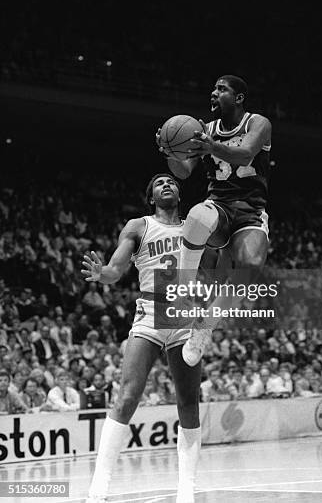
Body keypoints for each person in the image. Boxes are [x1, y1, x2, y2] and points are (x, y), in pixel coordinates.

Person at [81, 174, 201, 503]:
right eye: (159, 183)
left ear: (179, 192)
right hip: (150, 311)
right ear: (151, 197)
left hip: (185, 314)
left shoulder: (196, 224)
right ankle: (99, 489)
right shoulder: (139, 225)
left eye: (172, 182)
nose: (166, 185)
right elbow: (116, 269)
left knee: (188, 402)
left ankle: (186, 489)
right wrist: (101, 273)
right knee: (127, 396)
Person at [157, 75, 272, 365]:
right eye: (214, 88)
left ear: (239, 97)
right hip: (218, 207)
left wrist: (211, 148)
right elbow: (183, 172)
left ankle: (204, 328)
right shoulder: (203, 130)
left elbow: (245, 155)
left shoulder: (257, 123)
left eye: (222, 89)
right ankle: (182, 288)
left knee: (250, 269)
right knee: (196, 215)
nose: (214, 92)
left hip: (250, 210)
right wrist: (170, 151)